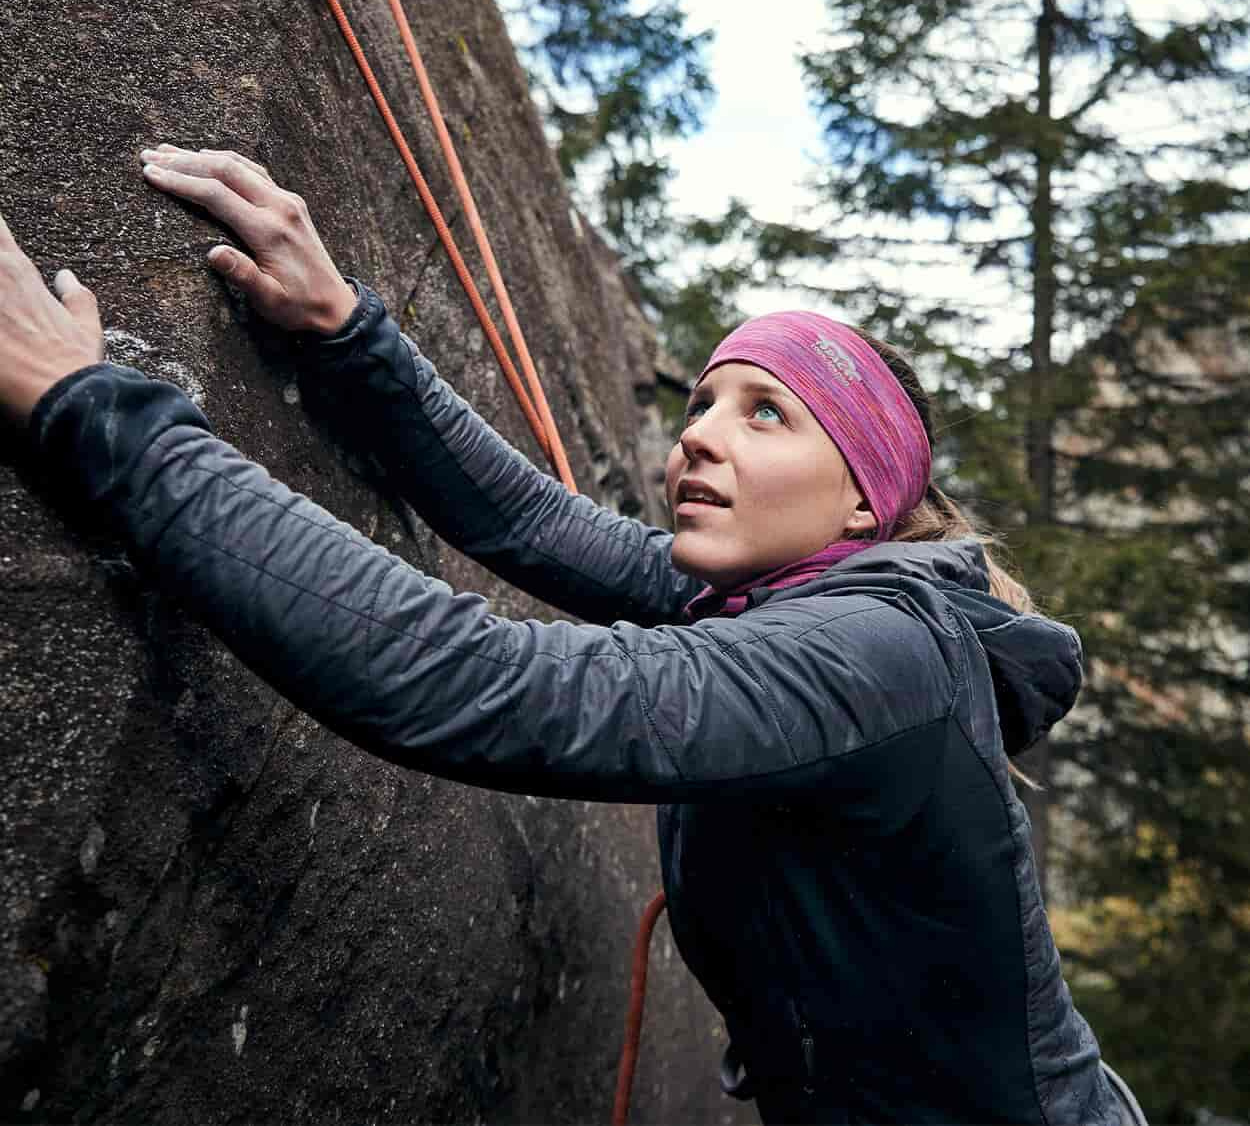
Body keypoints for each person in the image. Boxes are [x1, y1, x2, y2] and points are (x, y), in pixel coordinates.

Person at [0, 147, 1148, 1125]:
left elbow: (479, 678)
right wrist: (345, 330)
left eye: (766, 413)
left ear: (862, 502)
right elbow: (533, 521)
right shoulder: (768, 596)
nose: (698, 438)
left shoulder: (877, 652)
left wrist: (95, 412)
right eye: (701, 404)